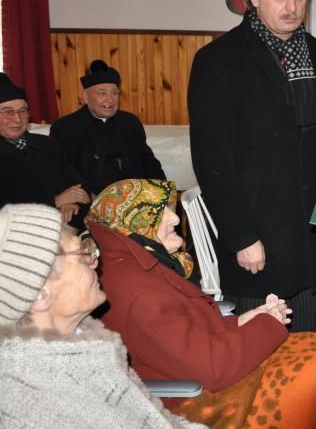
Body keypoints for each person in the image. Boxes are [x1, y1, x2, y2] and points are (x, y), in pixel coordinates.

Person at [87, 178, 316, 428]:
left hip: (206, 368)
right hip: (196, 401)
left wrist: (244, 320)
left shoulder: (133, 266)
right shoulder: (138, 292)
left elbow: (186, 337)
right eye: (160, 211)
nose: (175, 217)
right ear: (136, 222)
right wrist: (267, 323)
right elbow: (211, 368)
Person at [188, 0, 316, 330]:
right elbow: (213, 161)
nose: (293, 7)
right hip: (257, 236)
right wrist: (241, 237)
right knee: (258, 351)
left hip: (307, 235)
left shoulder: (315, 53)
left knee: (308, 345)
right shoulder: (218, 61)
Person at [0, 203, 201, 428]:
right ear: (40, 294)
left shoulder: (88, 342)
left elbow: (154, 418)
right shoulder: (35, 399)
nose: (95, 262)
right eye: (82, 255)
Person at [50, 59, 165, 198]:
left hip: (136, 199)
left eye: (114, 93)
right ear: (85, 97)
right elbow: (64, 171)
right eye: (102, 93)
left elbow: (149, 162)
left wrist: (161, 193)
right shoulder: (65, 128)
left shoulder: (130, 122)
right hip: (91, 201)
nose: (110, 100)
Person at [0, 73, 90, 229]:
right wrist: (56, 201)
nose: (17, 119)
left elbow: (78, 184)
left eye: (23, 111)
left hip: (66, 225)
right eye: (8, 112)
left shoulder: (48, 144)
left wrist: (71, 204)